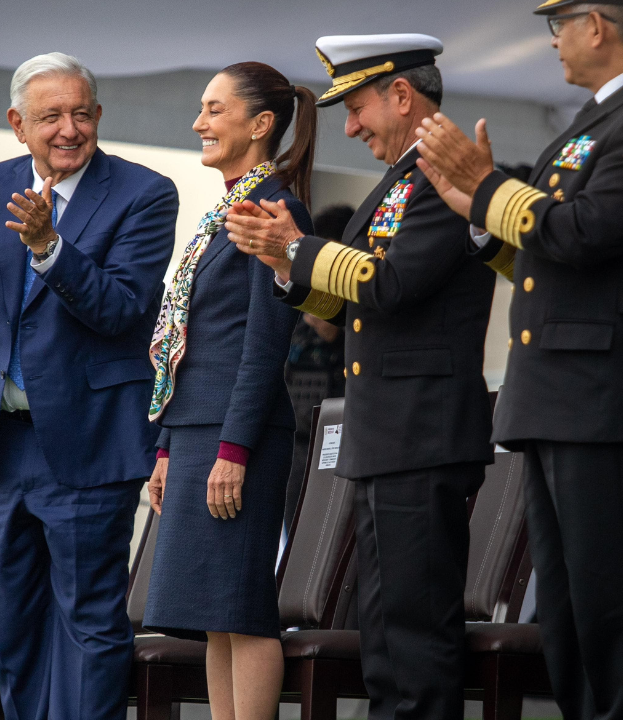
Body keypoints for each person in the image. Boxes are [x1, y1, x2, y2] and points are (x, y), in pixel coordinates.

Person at [226, 35, 497, 720]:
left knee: (413, 642)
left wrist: (298, 249)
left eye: (358, 108)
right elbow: (346, 301)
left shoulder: (442, 174)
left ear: (401, 95)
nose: (348, 127)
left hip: (422, 432)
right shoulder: (402, 177)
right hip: (389, 434)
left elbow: (392, 284)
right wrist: (288, 266)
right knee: (384, 638)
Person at [0, 52, 178, 720]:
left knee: (90, 622)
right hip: (3, 444)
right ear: (17, 124)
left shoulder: (144, 193)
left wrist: (49, 249)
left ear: (98, 116)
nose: (69, 128)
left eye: (81, 113)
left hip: (88, 442)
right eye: (50, 117)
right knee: (12, 626)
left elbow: (123, 309)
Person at [415, 3, 623, 716]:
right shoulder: (588, 122)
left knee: (612, 600)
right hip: (553, 395)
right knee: (567, 606)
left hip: (600, 398)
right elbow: (548, 255)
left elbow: (589, 230)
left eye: (560, 25)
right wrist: (478, 218)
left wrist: (488, 190)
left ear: (597, 25)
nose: (553, 42)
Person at [141, 63, 316, 720]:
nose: (199, 123)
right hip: (195, 430)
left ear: (261, 124)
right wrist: (165, 445)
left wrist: (233, 448)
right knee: (213, 614)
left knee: (243, 609)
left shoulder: (274, 208)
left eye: (215, 110)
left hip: (233, 435)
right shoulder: (227, 205)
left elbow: (263, 344)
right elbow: (195, 331)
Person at [283, 205, 352, 527]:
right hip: (295, 441)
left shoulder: (358, 307)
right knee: (295, 534)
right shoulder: (294, 299)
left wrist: (336, 328)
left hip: (341, 437)